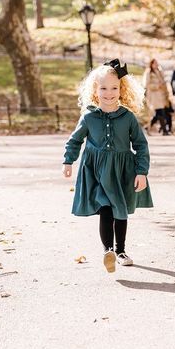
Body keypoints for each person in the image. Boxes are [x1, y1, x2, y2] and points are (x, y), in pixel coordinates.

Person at [62, 59, 153, 273]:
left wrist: (142, 172)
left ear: (121, 90)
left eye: (114, 88)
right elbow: (75, 140)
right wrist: (68, 160)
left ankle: (120, 251)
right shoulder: (89, 117)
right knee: (105, 207)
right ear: (95, 90)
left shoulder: (128, 117)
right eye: (103, 88)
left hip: (122, 171)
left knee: (119, 210)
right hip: (96, 171)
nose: (109, 93)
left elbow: (141, 145)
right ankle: (108, 251)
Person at [143, 58, 170, 135]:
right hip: (153, 95)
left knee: (159, 113)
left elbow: (163, 79)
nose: (156, 65)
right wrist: (157, 86)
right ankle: (164, 130)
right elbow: (146, 84)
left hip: (160, 95)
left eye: (157, 63)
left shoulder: (158, 71)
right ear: (151, 64)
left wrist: (160, 70)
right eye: (155, 63)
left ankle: (147, 127)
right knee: (160, 112)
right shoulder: (148, 72)